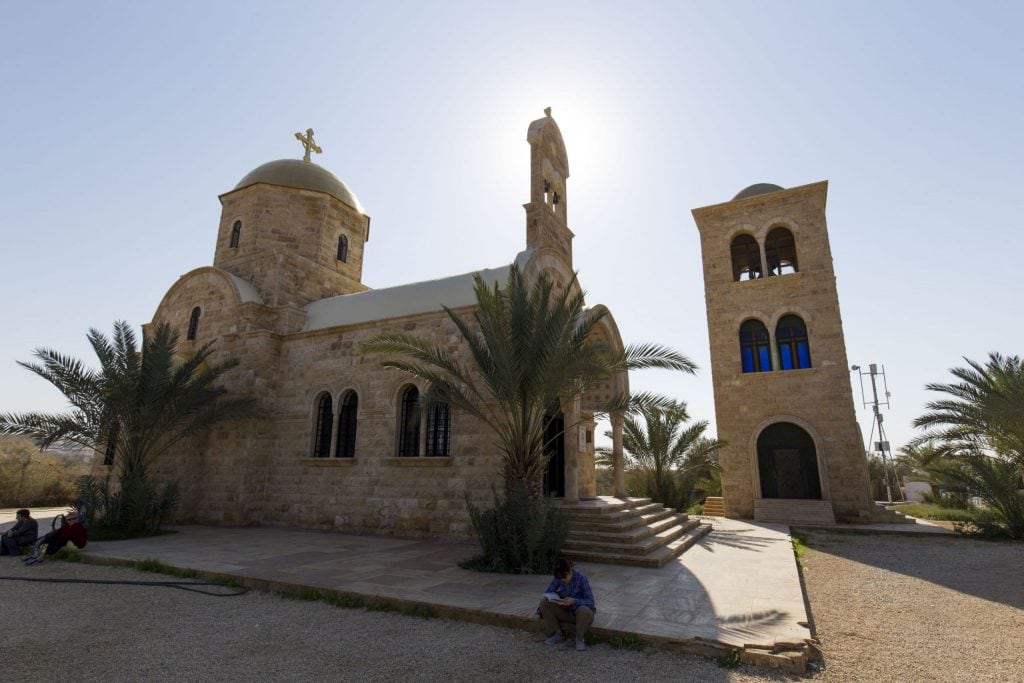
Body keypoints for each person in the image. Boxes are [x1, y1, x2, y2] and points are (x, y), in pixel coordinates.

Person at [537, 557, 596, 651]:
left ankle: (579, 639)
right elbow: (548, 593)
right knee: (544, 602)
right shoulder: (559, 578)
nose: (563, 580)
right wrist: (556, 596)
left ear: (570, 570)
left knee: (583, 610)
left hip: (581, 614)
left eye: (565, 577)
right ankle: (557, 634)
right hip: (565, 611)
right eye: (561, 579)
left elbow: (591, 602)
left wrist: (574, 601)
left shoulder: (581, 578)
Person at [23, 509, 87, 565]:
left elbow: (65, 535)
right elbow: (59, 531)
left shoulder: (77, 526)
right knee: (52, 537)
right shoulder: (68, 526)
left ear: (78, 519)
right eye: (69, 520)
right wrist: (49, 536)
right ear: (67, 521)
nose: (72, 521)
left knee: (56, 538)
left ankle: (39, 552)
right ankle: (40, 555)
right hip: (70, 542)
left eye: (74, 519)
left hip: (77, 545)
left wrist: (47, 537)